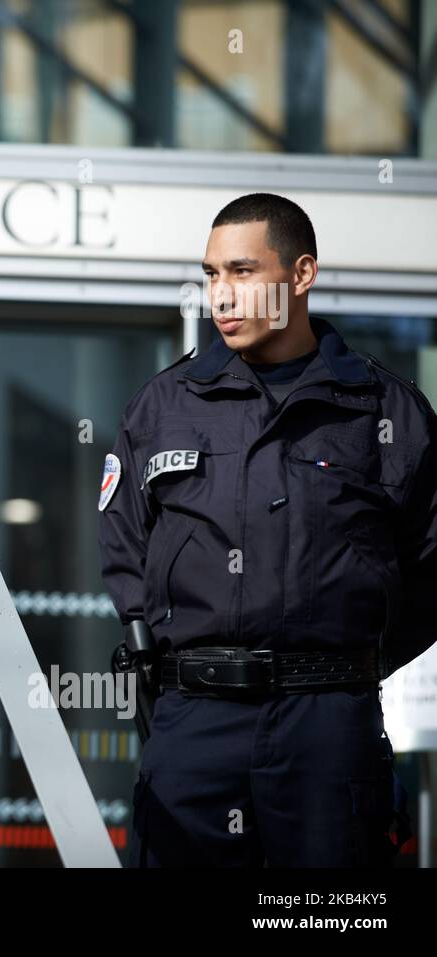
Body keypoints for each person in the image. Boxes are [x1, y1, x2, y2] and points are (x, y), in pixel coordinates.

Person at [97, 192, 437, 867]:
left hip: (327, 733)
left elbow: (427, 570)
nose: (221, 296)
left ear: (302, 274)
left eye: (243, 272)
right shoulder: (162, 407)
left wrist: (338, 670)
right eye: (212, 274)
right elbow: (125, 554)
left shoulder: (383, 411)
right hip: (192, 726)